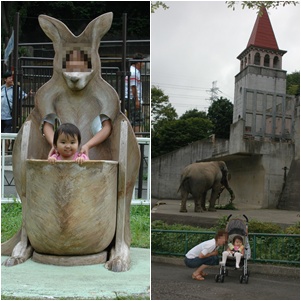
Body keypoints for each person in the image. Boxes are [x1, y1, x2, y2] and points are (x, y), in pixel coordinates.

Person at [1, 71, 31, 151]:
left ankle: (5, 153)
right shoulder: (1, 88)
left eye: (12, 78)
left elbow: (24, 97)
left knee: (6, 136)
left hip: (8, 117)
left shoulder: (16, 89)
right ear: (5, 79)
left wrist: (28, 95)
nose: (11, 79)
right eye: (9, 78)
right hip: (1, 116)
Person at [125, 53, 144, 133]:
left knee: (132, 119)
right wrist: (137, 100)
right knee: (137, 120)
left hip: (129, 98)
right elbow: (133, 87)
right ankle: (138, 138)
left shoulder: (131, 70)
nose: (143, 65)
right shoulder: (134, 72)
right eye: (142, 63)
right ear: (138, 63)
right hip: (132, 98)